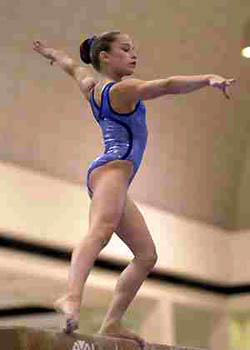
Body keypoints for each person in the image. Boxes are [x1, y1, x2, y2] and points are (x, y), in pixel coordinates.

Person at [33, 31, 235, 346]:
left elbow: (71, 65)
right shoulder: (124, 90)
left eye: (133, 50)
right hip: (113, 171)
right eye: (125, 50)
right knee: (100, 232)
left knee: (145, 255)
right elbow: (167, 85)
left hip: (111, 175)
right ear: (105, 56)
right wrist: (207, 77)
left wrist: (51, 53)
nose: (133, 55)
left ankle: (112, 321)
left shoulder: (91, 86)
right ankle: (71, 296)